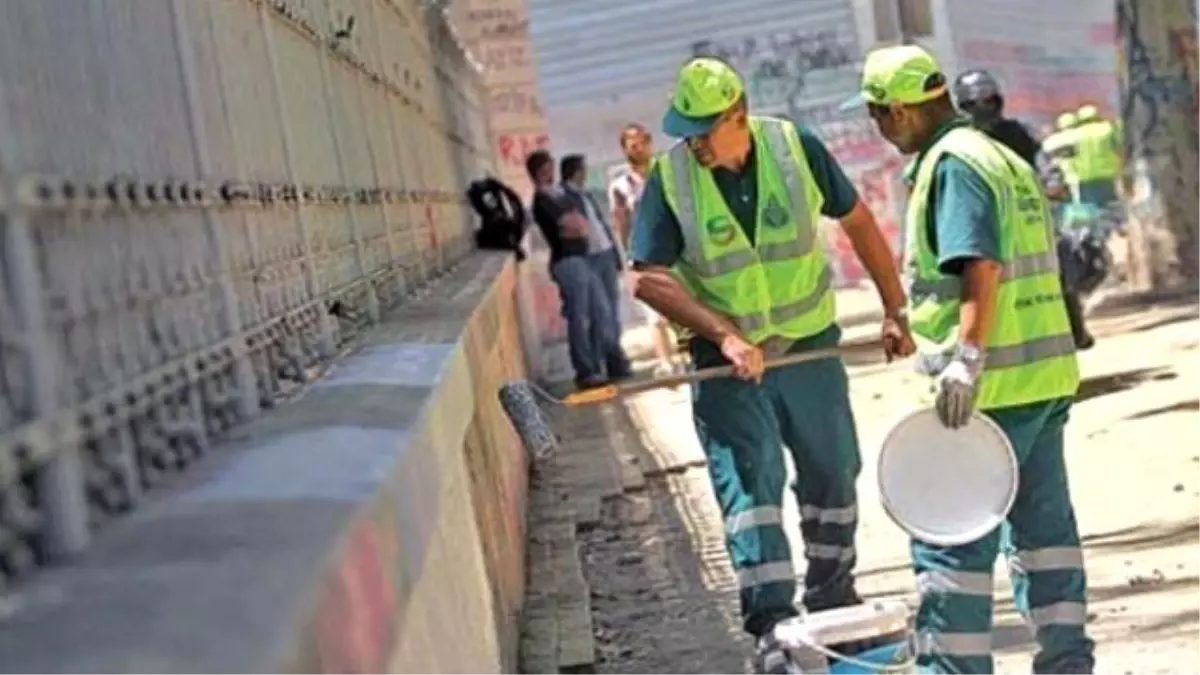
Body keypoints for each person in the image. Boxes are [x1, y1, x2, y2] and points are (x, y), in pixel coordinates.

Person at [629, 56, 915, 674]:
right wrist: (724, 335)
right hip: (728, 366)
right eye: (688, 131)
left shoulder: (794, 147)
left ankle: (833, 593)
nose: (695, 143)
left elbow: (858, 221)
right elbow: (647, 278)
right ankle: (771, 622)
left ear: (739, 115)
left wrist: (895, 308)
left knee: (834, 468)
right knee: (751, 488)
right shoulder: (671, 177)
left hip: (809, 346)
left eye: (706, 129)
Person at [849, 44, 1095, 675]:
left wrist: (965, 356)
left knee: (950, 545)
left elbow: (978, 264)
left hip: (984, 395)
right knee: (1045, 540)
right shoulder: (1001, 156)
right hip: (1040, 380)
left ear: (902, 108)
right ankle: (1068, 663)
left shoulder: (952, 165)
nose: (877, 127)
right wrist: (914, 323)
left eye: (879, 114)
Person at [952, 70, 1094, 349]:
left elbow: (1048, 172)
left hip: (1028, 222)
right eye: (974, 103)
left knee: (1062, 262)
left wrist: (1052, 186)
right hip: (981, 226)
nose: (983, 109)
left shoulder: (1019, 134)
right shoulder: (958, 144)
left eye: (989, 101)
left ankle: (1075, 329)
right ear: (962, 107)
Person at [526, 149, 627, 389]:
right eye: (547, 168)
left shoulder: (558, 194)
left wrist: (576, 224)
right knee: (579, 318)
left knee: (599, 313)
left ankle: (599, 365)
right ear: (539, 172)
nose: (551, 173)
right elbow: (573, 227)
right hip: (568, 262)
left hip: (581, 259)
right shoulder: (543, 200)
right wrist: (574, 224)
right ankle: (586, 371)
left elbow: (581, 225)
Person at [608, 122, 686, 376]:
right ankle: (666, 362)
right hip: (645, 254)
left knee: (683, 305)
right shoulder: (621, 187)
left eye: (641, 144)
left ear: (649, 143)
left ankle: (685, 353)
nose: (638, 149)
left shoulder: (665, 173)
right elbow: (621, 225)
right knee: (656, 314)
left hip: (675, 249)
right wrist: (629, 259)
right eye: (632, 146)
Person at [559, 153, 633, 379]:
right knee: (598, 314)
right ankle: (601, 362)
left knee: (611, 310)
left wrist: (617, 258)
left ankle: (614, 360)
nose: (586, 174)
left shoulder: (587, 195)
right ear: (575, 172)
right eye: (582, 170)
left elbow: (600, 225)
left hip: (605, 255)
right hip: (587, 258)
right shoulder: (565, 196)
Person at [466, 173, 526, 260]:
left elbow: (518, 207)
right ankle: (484, 188)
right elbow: (518, 208)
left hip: (492, 226)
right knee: (494, 212)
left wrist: (503, 189)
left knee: (490, 213)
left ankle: (478, 191)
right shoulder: (517, 233)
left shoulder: (510, 238)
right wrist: (503, 189)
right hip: (497, 222)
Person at [1071, 104, 1121, 208]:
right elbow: (1118, 147)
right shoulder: (1107, 128)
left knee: (1090, 210)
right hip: (1108, 174)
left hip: (1086, 176)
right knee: (1112, 207)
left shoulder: (1074, 134)